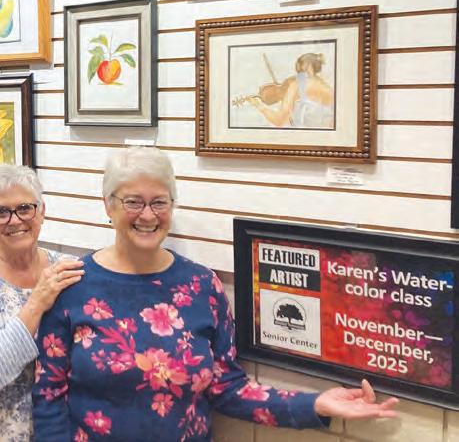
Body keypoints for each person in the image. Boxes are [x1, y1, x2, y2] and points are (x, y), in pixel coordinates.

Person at [32, 146, 399, 441]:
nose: (148, 215)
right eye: (133, 202)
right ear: (108, 206)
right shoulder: (73, 285)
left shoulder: (201, 286)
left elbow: (229, 388)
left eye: (159, 202)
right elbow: (48, 396)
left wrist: (316, 404)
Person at [0, 164, 84, 441]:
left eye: (24, 208)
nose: (14, 220)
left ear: (42, 211)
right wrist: (36, 302)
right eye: (1, 212)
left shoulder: (67, 271)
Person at [249, 53, 334, 129]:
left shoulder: (295, 85)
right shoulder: (317, 81)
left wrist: (259, 105)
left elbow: (279, 121)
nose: (277, 96)